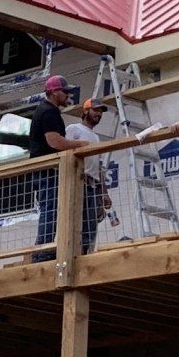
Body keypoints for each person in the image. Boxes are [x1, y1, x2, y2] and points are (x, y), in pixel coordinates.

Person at [22, 73, 81, 258]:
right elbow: (54, 141)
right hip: (47, 170)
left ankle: (44, 251)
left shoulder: (46, 110)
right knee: (50, 209)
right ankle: (43, 253)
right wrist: (81, 145)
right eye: (65, 92)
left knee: (51, 209)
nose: (68, 96)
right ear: (54, 92)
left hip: (44, 170)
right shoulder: (49, 111)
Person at [66, 96, 117, 253]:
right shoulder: (74, 129)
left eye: (101, 111)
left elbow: (99, 168)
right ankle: (74, 255)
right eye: (96, 110)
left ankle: (86, 256)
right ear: (86, 111)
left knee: (90, 227)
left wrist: (104, 192)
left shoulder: (95, 137)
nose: (99, 114)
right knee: (76, 224)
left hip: (93, 187)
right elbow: (65, 154)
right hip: (78, 183)